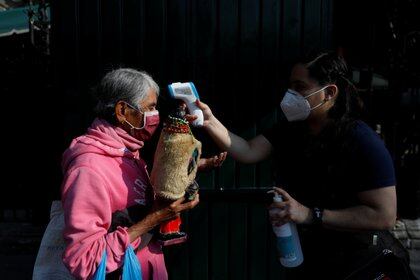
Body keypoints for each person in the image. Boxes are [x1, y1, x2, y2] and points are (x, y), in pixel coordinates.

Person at [189, 52, 413, 278]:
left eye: (300, 87)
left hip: (362, 263)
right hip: (315, 260)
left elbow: (384, 216)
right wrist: (209, 122)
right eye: (290, 86)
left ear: (329, 93)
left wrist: (309, 214)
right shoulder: (293, 129)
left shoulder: (362, 141)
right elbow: (248, 150)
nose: (291, 95)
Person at [60, 68, 225, 280]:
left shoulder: (128, 153)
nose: (156, 115)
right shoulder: (88, 169)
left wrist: (189, 169)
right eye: (150, 107)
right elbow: (84, 260)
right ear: (122, 111)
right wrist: (154, 218)